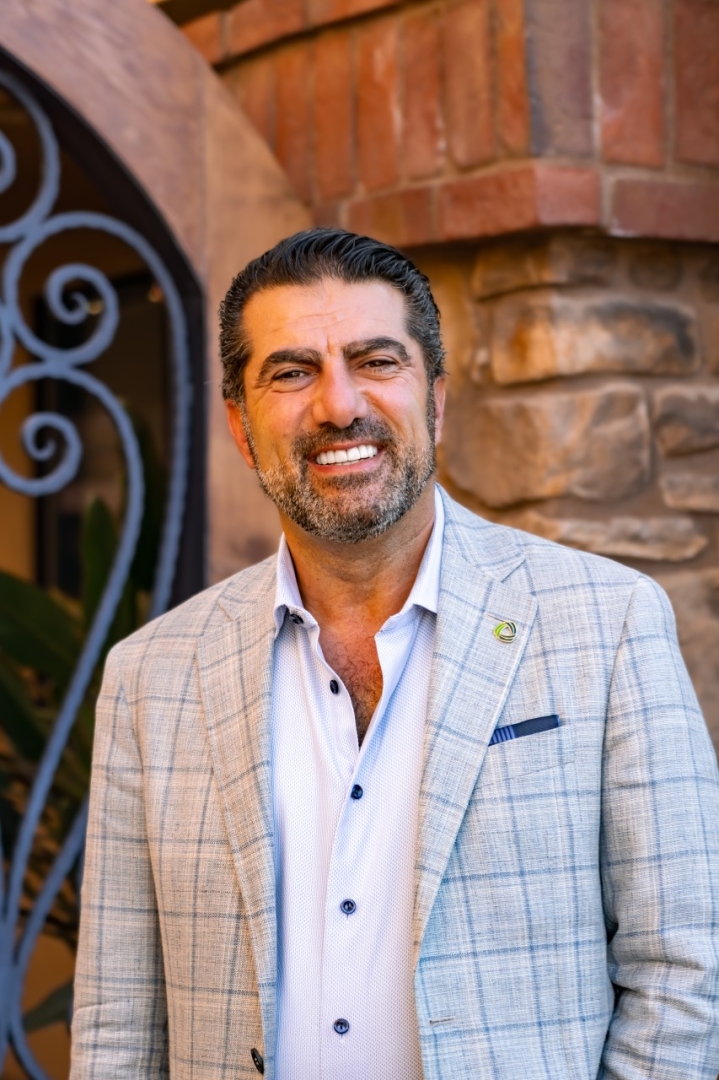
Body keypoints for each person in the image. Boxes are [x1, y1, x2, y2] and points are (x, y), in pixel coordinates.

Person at [70, 228, 719, 1080]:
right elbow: (117, 1021)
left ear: (435, 398)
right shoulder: (151, 676)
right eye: (291, 373)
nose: (338, 405)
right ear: (239, 424)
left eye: (376, 361)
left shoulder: (606, 622)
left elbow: (684, 970)